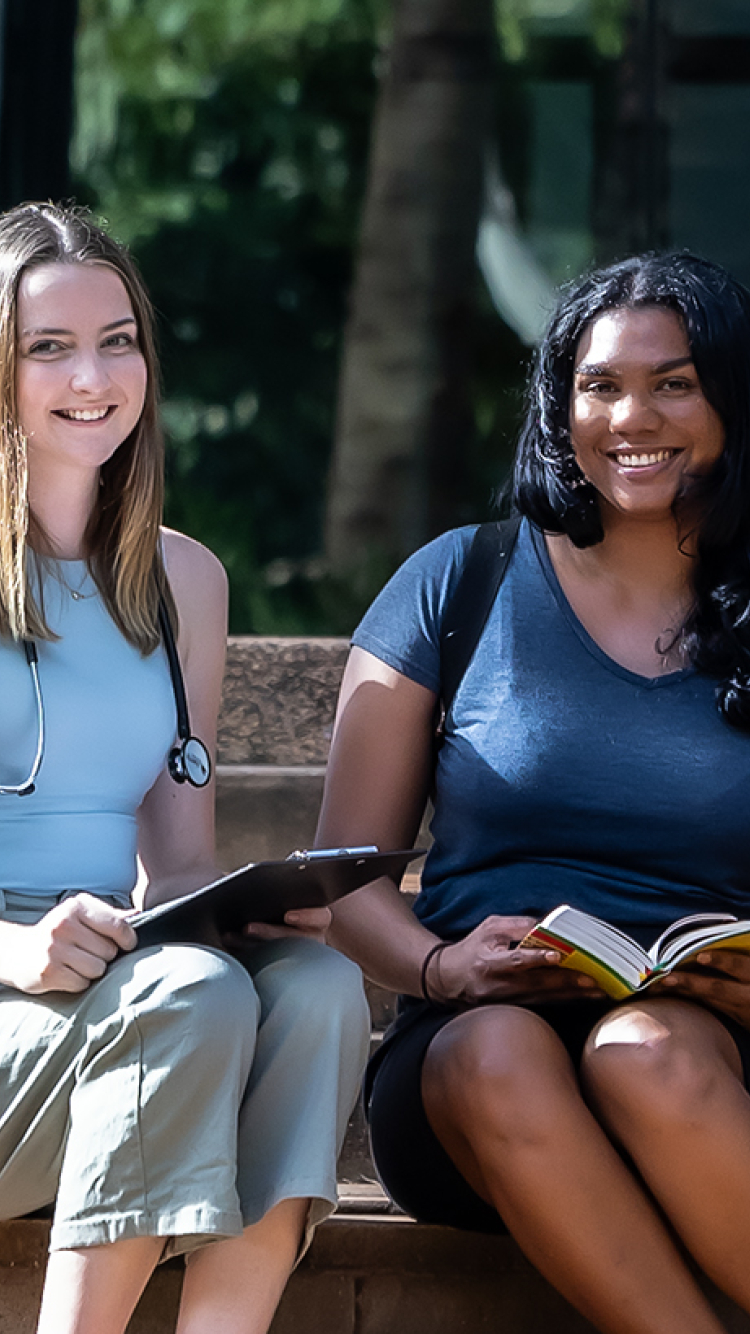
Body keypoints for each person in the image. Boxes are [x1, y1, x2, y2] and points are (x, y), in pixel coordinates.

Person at [315, 251, 750, 1334]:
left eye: (675, 382)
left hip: (707, 1051)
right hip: (472, 1047)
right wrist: (440, 963)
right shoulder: (459, 580)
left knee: (643, 1053)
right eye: (599, 384)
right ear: (561, 406)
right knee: (502, 1050)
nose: (630, 415)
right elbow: (341, 879)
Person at [0, 201, 370, 1334]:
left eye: (119, 339)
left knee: (316, 988)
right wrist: (20, 942)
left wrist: (239, 915)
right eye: (48, 346)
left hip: (125, 996)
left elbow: (179, 858)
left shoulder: (184, 583)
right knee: (187, 994)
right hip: (31, 999)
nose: (95, 373)